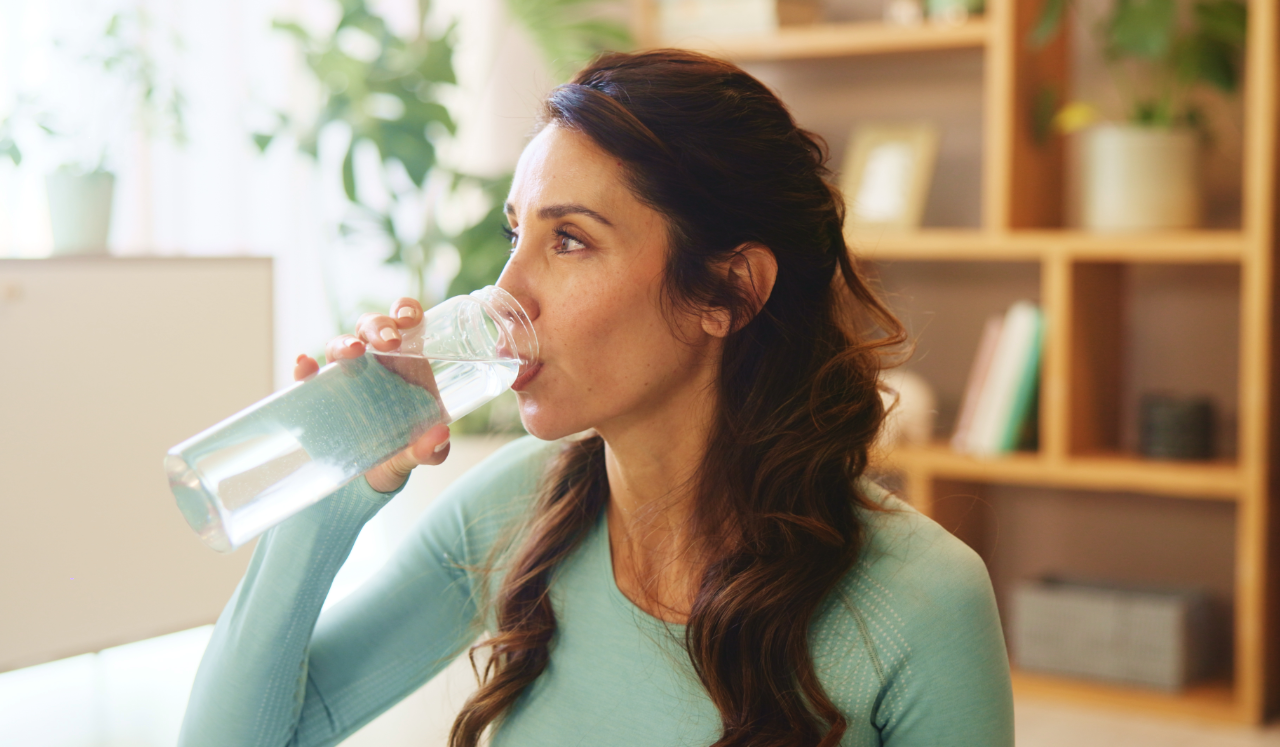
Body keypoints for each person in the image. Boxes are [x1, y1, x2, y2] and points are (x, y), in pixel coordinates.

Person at [179, 49, 1013, 746]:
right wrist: (336, 474)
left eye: (569, 240)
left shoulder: (921, 605)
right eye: (517, 233)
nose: (507, 292)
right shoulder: (520, 503)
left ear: (728, 289)